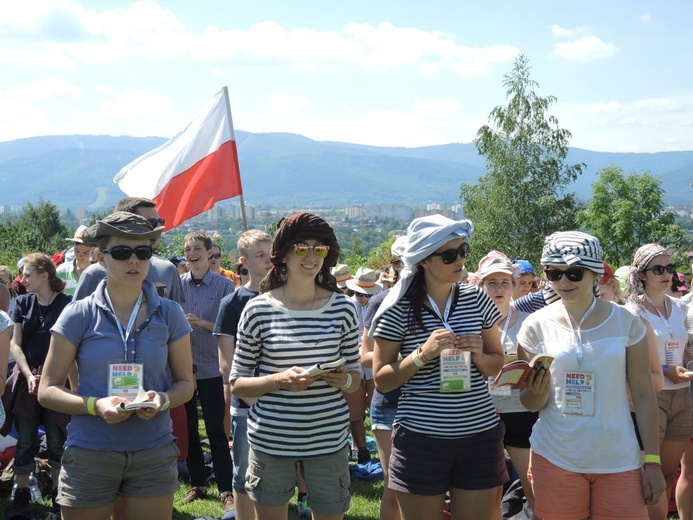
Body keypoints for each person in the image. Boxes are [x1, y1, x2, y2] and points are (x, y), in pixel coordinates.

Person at [37, 212, 194, 519]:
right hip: (90, 451)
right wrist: (95, 405)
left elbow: (186, 384)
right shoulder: (78, 314)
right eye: (122, 252)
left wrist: (162, 400)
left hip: (153, 450)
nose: (133, 261)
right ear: (101, 257)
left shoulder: (170, 313)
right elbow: (47, 390)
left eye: (143, 252)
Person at [518, 231, 666, 520]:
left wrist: (653, 463)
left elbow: (644, 395)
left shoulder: (626, 322)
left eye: (574, 273)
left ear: (595, 274)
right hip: (555, 456)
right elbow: (530, 403)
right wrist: (534, 391)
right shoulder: (534, 326)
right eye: (554, 273)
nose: (563, 282)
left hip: (619, 459)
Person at [371, 214, 507, 520]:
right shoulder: (398, 308)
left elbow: (497, 362)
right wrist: (422, 354)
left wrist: (479, 357)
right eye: (449, 255)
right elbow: (382, 379)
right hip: (421, 439)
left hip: (479, 435)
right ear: (424, 261)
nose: (460, 261)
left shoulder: (477, 299)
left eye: (463, 251)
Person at [230, 212, 361, 520]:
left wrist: (342, 380)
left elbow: (356, 379)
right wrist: (278, 380)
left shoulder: (343, 308)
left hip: (328, 442)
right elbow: (237, 383)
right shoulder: (258, 309)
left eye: (320, 248)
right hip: (270, 443)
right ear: (284, 254)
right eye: (302, 248)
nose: (311, 256)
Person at [622, 244, 692, 520]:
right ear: (641, 275)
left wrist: (685, 367)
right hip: (650, 396)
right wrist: (665, 369)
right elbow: (630, 361)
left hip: (682, 395)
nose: (666, 274)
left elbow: (684, 350)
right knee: (646, 474)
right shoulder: (632, 312)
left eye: (670, 268)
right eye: (658, 269)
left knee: (666, 472)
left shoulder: (678, 307)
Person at [214, 229, 274, 520]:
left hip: (283, 403)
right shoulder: (232, 304)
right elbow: (226, 365)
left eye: (271, 253)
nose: (269, 260)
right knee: (243, 474)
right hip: (247, 405)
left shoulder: (285, 299)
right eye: (261, 255)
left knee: (277, 477)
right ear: (244, 261)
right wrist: (252, 393)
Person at [6, 253, 72, 508]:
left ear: (44, 275)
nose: (22, 279)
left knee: (57, 439)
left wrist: (53, 377)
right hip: (27, 379)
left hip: (57, 378)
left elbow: (72, 344)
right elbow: (15, 344)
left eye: (27, 274)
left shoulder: (67, 304)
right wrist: (26, 374)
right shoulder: (22, 302)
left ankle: (59, 494)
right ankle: (21, 493)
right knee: (25, 440)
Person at [477, 251, 536, 515]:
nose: (499, 289)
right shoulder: (468, 322)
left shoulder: (529, 323)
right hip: (482, 414)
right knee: (486, 491)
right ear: (479, 286)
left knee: (532, 484)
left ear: (514, 286)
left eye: (505, 282)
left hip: (521, 411)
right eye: (491, 282)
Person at [180, 231, 235, 510]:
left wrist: (200, 323)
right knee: (188, 430)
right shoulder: (178, 285)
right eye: (188, 248)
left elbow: (230, 328)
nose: (192, 253)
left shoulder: (225, 286)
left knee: (216, 430)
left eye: (197, 248)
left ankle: (226, 489)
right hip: (185, 370)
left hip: (213, 368)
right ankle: (197, 483)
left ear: (209, 251)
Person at [360, 236, 406, 520]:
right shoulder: (380, 301)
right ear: (395, 265)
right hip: (389, 403)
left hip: (431, 403)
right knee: (394, 484)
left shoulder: (444, 299)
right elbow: (364, 354)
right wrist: (408, 363)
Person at [74, 197, 184, 304]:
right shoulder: (94, 274)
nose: (159, 228)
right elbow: (78, 319)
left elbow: (176, 316)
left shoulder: (167, 270)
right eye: (152, 222)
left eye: (161, 222)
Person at [344, 267, 382, 464]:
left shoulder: (380, 305)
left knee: (378, 410)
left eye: (367, 294)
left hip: (373, 365)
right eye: (359, 293)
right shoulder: (348, 306)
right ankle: (362, 450)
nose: (362, 298)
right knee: (355, 412)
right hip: (356, 366)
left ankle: (384, 449)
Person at [56, 225, 94, 296]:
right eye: (77, 251)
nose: (80, 255)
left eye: (86, 252)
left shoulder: (98, 273)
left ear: (93, 249)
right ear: (73, 246)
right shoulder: (61, 271)